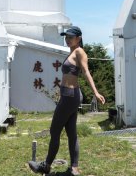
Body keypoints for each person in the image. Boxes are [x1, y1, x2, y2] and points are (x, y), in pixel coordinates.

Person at [28, 26, 106, 176]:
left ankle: (46, 166)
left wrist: (95, 92)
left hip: (70, 96)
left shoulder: (79, 52)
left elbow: (86, 72)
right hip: (69, 96)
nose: (67, 39)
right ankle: (74, 168)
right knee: (71, 133)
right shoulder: (72, 52)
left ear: (79, 38)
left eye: (71, 37)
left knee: (54, 130)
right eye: (66, 37)